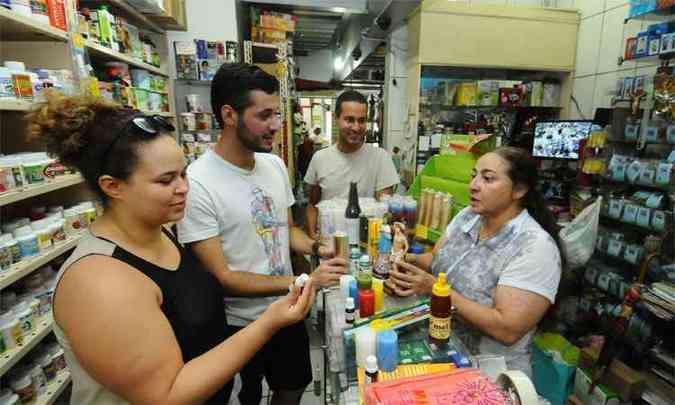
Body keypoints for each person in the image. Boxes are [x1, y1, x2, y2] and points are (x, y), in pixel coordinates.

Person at [28, 91, 315, 405]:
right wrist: (268, 322)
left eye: (183, 174)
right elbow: (166, 395)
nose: (183, 188)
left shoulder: (160, 233)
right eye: (166, 181)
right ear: (113, 186)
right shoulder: (98, 281)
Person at [177, 63, 347, 405]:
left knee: (293, 386)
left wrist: (316, 246)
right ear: (229, 114)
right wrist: (304, 281)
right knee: (247, 398)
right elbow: (223, 277)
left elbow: (286, 232)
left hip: (288, 309)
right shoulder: (197, 183)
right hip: (237, 326)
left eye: (277, 114)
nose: (275, 125)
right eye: (264, 115)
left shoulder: (272, 164)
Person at [387, 147, 562, 377]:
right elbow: (437, 260)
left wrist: (435, 291)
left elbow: (506, 328)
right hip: (439, 348)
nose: (474, 185)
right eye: (474, 176)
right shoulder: (469, 216)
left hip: (488, 372)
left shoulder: (535, 247)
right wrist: (402, 256)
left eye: (488, 178)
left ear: (519, 189)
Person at [304, 90, 400, 239]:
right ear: (336, 119)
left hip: (365, 245)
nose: (356, 127)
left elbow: (384, 210)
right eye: (349, 120)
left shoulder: (380, 158)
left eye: (361, 121)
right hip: (329, 243)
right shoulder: (320, 158)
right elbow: (312, 205)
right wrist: (313, 239)